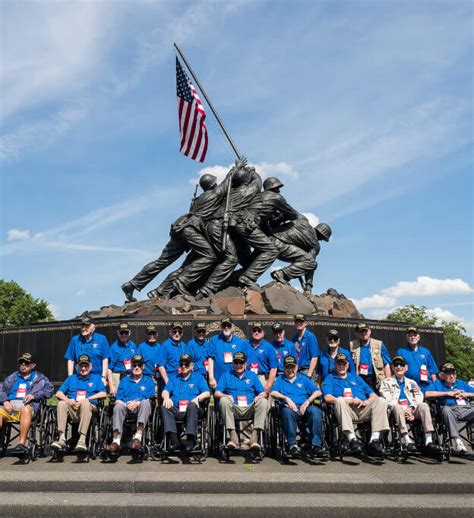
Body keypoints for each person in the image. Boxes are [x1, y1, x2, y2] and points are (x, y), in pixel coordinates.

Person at [322, 352, 389, 457]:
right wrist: (349, 401)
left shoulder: (356, 378)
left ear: (348, 365)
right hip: (346, 411)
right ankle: (352, 439)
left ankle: (374, 440)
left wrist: (366, 402)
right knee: (339, 400)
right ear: (335, 365)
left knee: (381, 400)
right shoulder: (330, 378)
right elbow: (327, 397)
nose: (341, 366)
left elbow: (373, 395)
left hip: (363, 409)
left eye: (343, 364)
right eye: (339, 364)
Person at [379, 356, 439, 454]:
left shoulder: (412, 382)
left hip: (412, 410)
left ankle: (429, 441)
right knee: (397, 407)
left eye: (401, 364)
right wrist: (405, 410)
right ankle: (407, 440)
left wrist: (411, 408)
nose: (399, 367)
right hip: (396, 411)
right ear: (392, 368)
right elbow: (388, 399)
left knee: (424, 405)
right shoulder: (386, 383)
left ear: (406, 367)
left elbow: (419, 396)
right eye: (396, 365)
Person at [0, 352, 54, 455]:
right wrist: (5, 401)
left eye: (26, 363)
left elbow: (50, 390)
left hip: (28, 409)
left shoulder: (40, 378)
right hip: (9, 408)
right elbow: (1, 389)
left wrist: (35, 395)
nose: (23, 365)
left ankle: (21, 445)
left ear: (33, 365)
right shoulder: (14, 377)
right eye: (21, 363)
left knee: (26, 409)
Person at [271, 355, 325, 457]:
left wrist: (308, 401)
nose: (290, 370)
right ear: (284, 368)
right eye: (287, 367)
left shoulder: (303, 379)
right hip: (290, 409)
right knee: (287, 412)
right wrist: (286, 398)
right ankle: (292, 445)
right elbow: (273, 392)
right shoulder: (280, 379)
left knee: (315, 411)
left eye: (292, 367)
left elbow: (318, 392)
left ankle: (316, 445)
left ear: (296, 367)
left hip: (305, 407)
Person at [51, 354, 107, 452]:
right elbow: (59, 393)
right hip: (73, 407)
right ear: (77, 367)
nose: (83, 368)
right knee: (61, 404)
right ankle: (61, 438)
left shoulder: (96, 378)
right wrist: (68, 400)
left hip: (89, 407)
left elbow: (103, 393)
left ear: (90, 366)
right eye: (81, 366)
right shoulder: (71, 378)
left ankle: (81, 440)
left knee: (85, 404)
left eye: (86, 366)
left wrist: (88, 399)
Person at [215, 352, 270, 450]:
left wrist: (260, 396)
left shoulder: (252, 375)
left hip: (249, 407)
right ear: (232, 363)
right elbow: (217, 392)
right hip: (234, 407)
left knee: (263, 401)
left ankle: (254, 436)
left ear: (246, 363)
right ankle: (233, 435)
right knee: (223, 400)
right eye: (236, 362)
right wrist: (225, 395)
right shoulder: (226, 375)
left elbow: (264, 393)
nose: (239, 365)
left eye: (241, 362)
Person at [105, 355, 155, 453]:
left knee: (146, 402)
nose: (137, 367)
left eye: (139, 365)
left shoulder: (149, 381)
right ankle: (116, 441)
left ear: (143, 367)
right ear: (131, 367)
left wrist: (137, 403)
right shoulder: (124, 381)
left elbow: (150, 398)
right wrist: (125, 404)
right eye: (134, 365)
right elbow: (118, 399)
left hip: (141, 408)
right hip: (125, 408)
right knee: (118, 406)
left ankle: (138, 437)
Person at [161, 354, 210, 452]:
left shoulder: (199, 378)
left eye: (186, 364)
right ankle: (175, 441)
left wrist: (197, 398)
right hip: (177, 410)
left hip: (193, 411)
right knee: (164, 406)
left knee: (192, 405)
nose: (183, 367)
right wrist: (166, 398)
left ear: (192, 366)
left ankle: (190, 441)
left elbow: (207, 393)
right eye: (181, 364)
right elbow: (165, 391)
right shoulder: (174, 378)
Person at [425, 362, 474, 454]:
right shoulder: (438, 384)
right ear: (442, 375)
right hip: (450, 410)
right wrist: (447, 393)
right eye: (448, 373)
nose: (452, 376)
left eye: (453, 373)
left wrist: (466, 394)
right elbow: (427, 394)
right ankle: (457, 441)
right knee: (446, 409)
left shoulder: (461, 383)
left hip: (465, 409)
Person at [64, 317, 110, 386]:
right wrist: (70, 378)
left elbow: (105, 359)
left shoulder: (101, 339)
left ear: (93, 327)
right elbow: (71, 360)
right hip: (80, 377)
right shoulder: (75, 340)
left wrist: (103, 377)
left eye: (87, 326)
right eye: (82, 326)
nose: (83, 328)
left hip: (96, 377)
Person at [395, 326, 438, 393]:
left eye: (414, 335)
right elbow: (397, 370)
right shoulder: (401, 351)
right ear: (407, 337)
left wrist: (436, 386)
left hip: (427, 386)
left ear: (418, 337)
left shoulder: (426, 351)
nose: (412, 337)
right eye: (410, 335)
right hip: (410, 386)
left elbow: (432, 371)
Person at [207, 317, 246, 390]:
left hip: (235, 379)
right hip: (218, 378)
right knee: (219, 399)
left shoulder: (239, 341)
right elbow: (210, 359)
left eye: (228, 325)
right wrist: (211, 378)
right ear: (221, 327)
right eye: (224, 326)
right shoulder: (214, 340)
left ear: (232, 327)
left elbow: (244, 362)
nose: (226, 328)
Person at [349, 323, 391, 390]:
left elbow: (386, 364)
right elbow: (349, 364)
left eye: (365, 331)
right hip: (361, 378)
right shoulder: (352, 345)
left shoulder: (379, 344)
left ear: (369, 331)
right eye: (361, 331)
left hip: (377, 378)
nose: (363, 333)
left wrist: (389, 381)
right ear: (357, 333)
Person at [244, 322, 278, 395]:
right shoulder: (244, 344)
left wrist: (269, 384)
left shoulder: (269, 347)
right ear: (251, 332)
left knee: (263, 402)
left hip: (262, 378)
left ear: (263, 333)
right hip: (247, 376)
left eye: (259, 331)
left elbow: (274, 368)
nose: (256, 332)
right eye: (254, 330)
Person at [107, 323, 139, 394]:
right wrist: (111, 386)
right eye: (121, 333)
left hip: (131, 375)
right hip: (117, 376)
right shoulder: (114, 348)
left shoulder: (133, 345)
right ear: (118, 333)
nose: (124, 335)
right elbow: (109, 369)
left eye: (126, 332)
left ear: (129, 333)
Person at [291, 314, 319, 380]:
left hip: (307, 370)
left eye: (301, 321)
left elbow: (314, 358)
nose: (298, 323)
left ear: (305, 323)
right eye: (297, 321)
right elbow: (297, 354)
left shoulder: (310, 336)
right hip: (297, 371)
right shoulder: (294, 338)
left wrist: (309, 375)